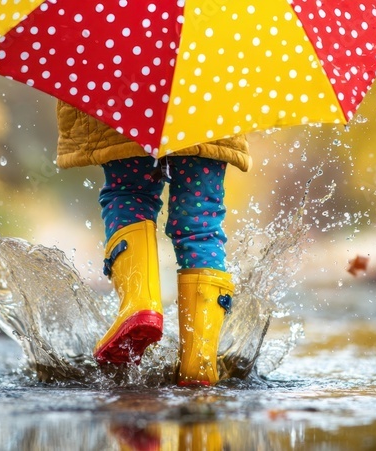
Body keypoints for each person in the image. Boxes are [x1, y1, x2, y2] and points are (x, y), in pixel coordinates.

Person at [55, 101, 251, 386]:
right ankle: (200, 362)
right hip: (210, 96)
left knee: (130, 193)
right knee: (200, 223)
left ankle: (139, 304)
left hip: (126, 87)